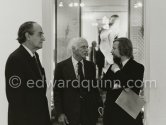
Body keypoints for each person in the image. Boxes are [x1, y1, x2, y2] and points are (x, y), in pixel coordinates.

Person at [5, 21, 51, 125]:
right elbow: (15, 99)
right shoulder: (16, 59)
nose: (43, 38)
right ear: (28, 36)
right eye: (40, 34)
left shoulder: (35, 56)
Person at [53, 37, 102, 125]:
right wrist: (60, 113)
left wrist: (99, 106)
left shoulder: (91, 66)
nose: (87, 50)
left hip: (89, 113)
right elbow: (57, 92)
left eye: (87, 47)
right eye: (83, 47)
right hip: (70, 113)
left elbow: (94, 89)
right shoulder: (61, 67)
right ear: (73, 49)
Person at [102, 37, 144, 125]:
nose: (111, 51)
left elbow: (132, 85)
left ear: (123, 49)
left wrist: (117, 71)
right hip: (111, 115)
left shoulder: (138, 67)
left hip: (128, 115)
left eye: (114, 48)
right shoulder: (112, 66)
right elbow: (103, 85)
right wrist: (119, 85)